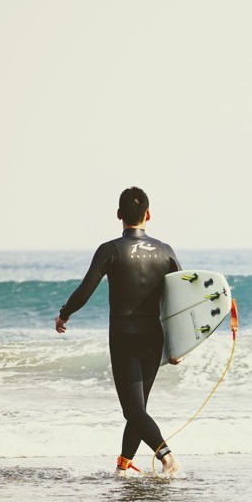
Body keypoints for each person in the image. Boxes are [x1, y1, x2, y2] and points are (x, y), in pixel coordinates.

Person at [55, 187, 182, 477]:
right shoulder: (166, 251)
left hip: (124, 336)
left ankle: (167, 457)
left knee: (133, 410)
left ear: (118, 215)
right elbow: (182, 300)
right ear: (148, 214)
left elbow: (85, 290)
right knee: (138, 408)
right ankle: (123, 467)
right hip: (153, 337)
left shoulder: (110, 250)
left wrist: (64, 314)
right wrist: (178, 345)